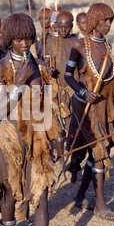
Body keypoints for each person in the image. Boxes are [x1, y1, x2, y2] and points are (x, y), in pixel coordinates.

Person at [0, 13, 59, 226]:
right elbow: (0, 109)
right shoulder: (0, 67)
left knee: (42, 192)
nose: (25, 44)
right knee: (11, 195)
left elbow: (42, 102)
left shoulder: (36, 63)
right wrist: (20, 82)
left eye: (29, 38)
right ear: (9, 40)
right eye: (19, 40)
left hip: (37, 135)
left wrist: (51, 135)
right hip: (10, 136)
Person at [64, 3, 114, 221]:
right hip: (84, 106)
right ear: (95, 20)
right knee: (98, 151)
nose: (109, 25)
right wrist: (83, 92)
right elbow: (68, 76)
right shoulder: (79, 45)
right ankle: (100, 205)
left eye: (111, 21)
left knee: (95, 151)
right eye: (105, 20)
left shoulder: (107, 46)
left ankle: (80, 197)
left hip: (104, 107)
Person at [45, 10, 77, 162]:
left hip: (71, 90)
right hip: (55, 89)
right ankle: (61, 157)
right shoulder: (50, 41)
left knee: (71, 126)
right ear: (55, 25)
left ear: (72, 26)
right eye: (60, 26)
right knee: (57, 127)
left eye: (67, 27)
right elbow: (44, 61)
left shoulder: (76, 42)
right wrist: (47, 69)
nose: (63, 30)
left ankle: (72, 160)